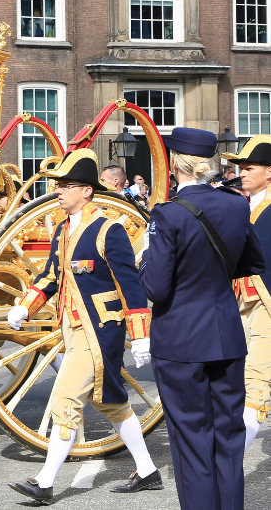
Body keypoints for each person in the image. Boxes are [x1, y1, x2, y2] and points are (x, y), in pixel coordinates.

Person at [5, 149, 159, 503]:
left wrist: (139, 337)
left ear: (86, 191)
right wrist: (26, 306)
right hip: (72, 329)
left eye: (67, 185)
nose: (59, 191)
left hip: (101, 330)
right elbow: (49, 276)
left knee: (64, 399)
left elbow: (129, 286)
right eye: (59, 185)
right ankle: (148, 470)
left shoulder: (109, 230)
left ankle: (44, 482)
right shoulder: (63, 228)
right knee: (112, 404)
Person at [140, 128, 266, 510]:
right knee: (227, 439)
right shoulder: (235, 204)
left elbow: (156, 289)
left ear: (175, 163)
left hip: (181, 339)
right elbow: (253, 262)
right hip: (226, 332)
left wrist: (144, 257)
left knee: (192, 441)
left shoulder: (168, 213)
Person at [222, 135, 271, 456]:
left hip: (266, 309)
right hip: (241, 307)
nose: (242, 172)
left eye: (249, 167)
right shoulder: (244, 205)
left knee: (255, 386)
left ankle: (224, 465)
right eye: (240, 166)